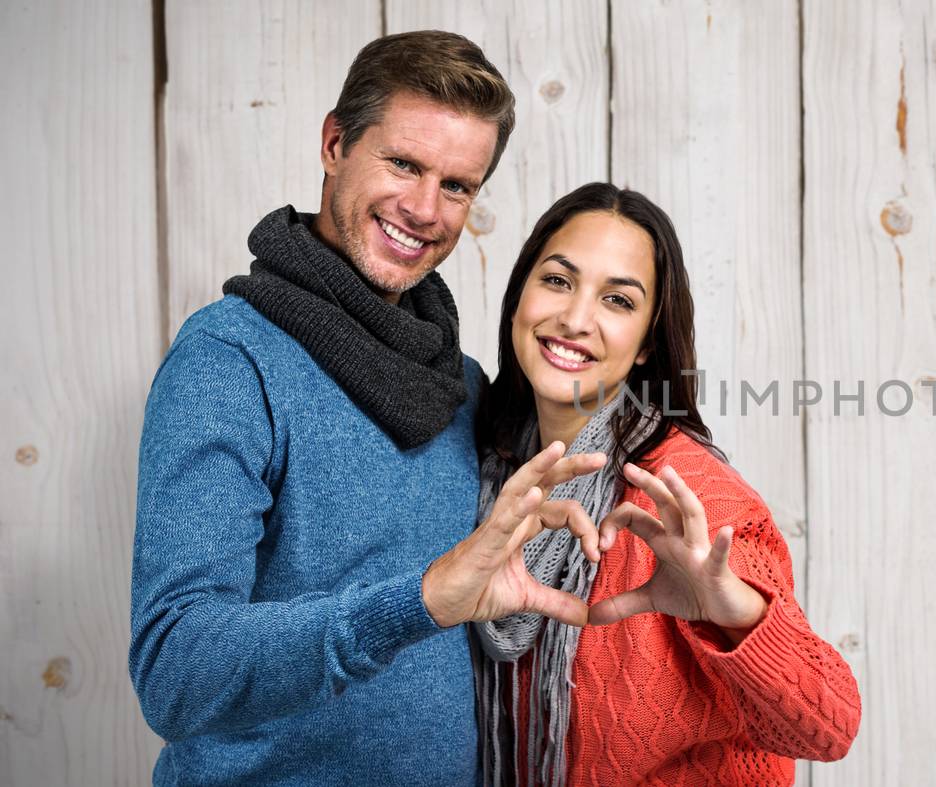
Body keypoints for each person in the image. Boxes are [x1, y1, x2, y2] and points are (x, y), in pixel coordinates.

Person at [129, 31, 607, 785]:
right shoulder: (228, 361)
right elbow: (177, 670)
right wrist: (412, 603)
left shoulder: (463, 385)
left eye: (457, 185)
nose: (424, 209)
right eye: (404, 164)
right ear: (334, 143)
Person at [472, 182, 862, 786]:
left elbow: (829, 728)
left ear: (650, 340)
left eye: (618, 301)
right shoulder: (480, 471)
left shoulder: (689, 496)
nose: (575, 319)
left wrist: (731, 610)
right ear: (519, 293)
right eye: (557, 280)